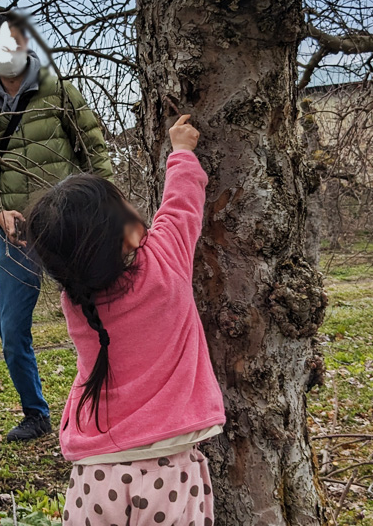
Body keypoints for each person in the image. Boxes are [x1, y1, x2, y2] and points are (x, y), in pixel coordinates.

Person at [24, 115, 225, 523]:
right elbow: (181, 206)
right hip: (167, 470)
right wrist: (182, 152)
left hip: (93, 474)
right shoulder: (166, 262)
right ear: (131, 233)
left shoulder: (76, 299)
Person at [0, 12, 114, 443]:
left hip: (68, 230)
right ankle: (35, 413)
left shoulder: (60, 92)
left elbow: (96, 152)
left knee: (99, 315)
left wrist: (103, 210)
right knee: (12, 331)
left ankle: (108, 400)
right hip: (16, 238)